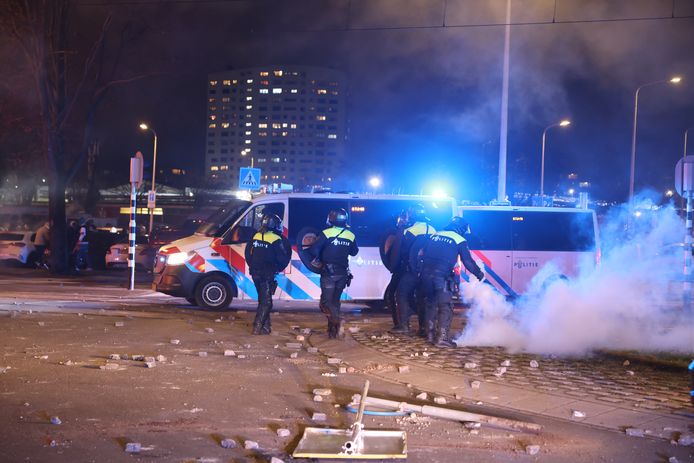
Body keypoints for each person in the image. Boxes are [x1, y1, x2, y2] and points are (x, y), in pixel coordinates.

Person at [420, 216, 484, 347]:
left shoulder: (434, 235)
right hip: (441, 278)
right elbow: (468, 262)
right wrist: (479, 273)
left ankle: (430, 334)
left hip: (425, 277)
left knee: (430, 304)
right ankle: (441, 338)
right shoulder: (460, 240)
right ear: (460, 229)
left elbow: (420, 253)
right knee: (446, 306)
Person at [308, 208, 359, 339]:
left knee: (325, 303)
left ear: (331, 219)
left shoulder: (326, 233)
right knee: (335, 302)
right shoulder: (350, 235)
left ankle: (337, 320)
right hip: (343, 274)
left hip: (328, 273)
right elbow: (354, 252)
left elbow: (314, 250)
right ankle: (333, 332)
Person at [391, 204, 436, 335]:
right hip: (428, 271)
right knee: (422, 297)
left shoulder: (409, 231)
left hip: (412, 270)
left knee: (402, 293)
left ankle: (404, 325)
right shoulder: (434, 230)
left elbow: (401, 252)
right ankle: (423, 328)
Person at [244, 213, 291, 335]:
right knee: (267, 302)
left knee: (263, 299)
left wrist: (252, 265)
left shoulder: (256, 236)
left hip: (255, 272)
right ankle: (257, 326)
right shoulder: (276, 239)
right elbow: (282, 257)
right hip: (267, 273)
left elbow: (248, 254)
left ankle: (266, 327)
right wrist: (278, 268)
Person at [383, 210, 408, 327]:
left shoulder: (402, 233)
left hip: (402, 270)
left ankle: (401, 324)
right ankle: (400, 323)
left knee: (397, 295)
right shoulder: (401, 232)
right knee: (395, 295)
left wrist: (392, 266)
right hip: (402, 269)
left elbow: (394, 251)